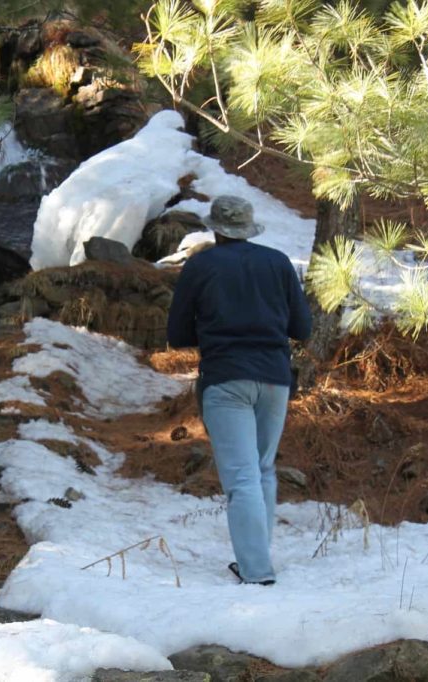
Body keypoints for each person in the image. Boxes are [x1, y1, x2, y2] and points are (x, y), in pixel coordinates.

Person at [166, 195, 312, 585]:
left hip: (226, 378)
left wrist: (217, 330)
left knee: (242, 478)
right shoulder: (278, 263)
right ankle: (257, 559)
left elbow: (177, 334)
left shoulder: (201, 265)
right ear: (248, 228)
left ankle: (256, 570)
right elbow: (304, 329)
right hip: (275, 378)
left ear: (215, 227)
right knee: (263, 470)